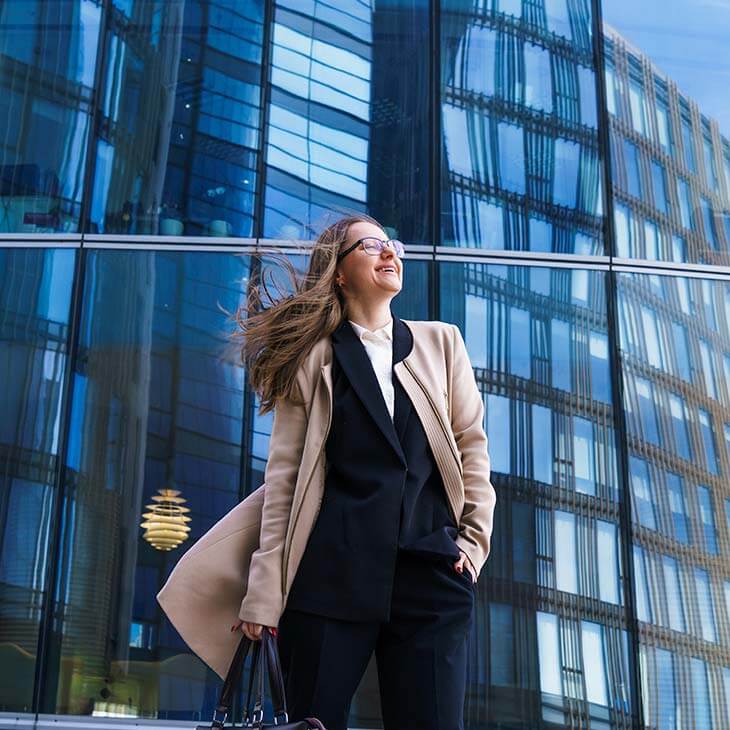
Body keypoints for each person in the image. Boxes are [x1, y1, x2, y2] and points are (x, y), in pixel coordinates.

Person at [230, 213, 496, 730]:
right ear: (339, 273)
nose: (389, 252)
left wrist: (471, 545)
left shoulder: (441, 343)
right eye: (372, 245)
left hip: (431, 573)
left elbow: (472, 450)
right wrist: (264, 594)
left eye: (393, 244)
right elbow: (284, 481)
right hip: (330, 578)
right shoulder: (312, 360)